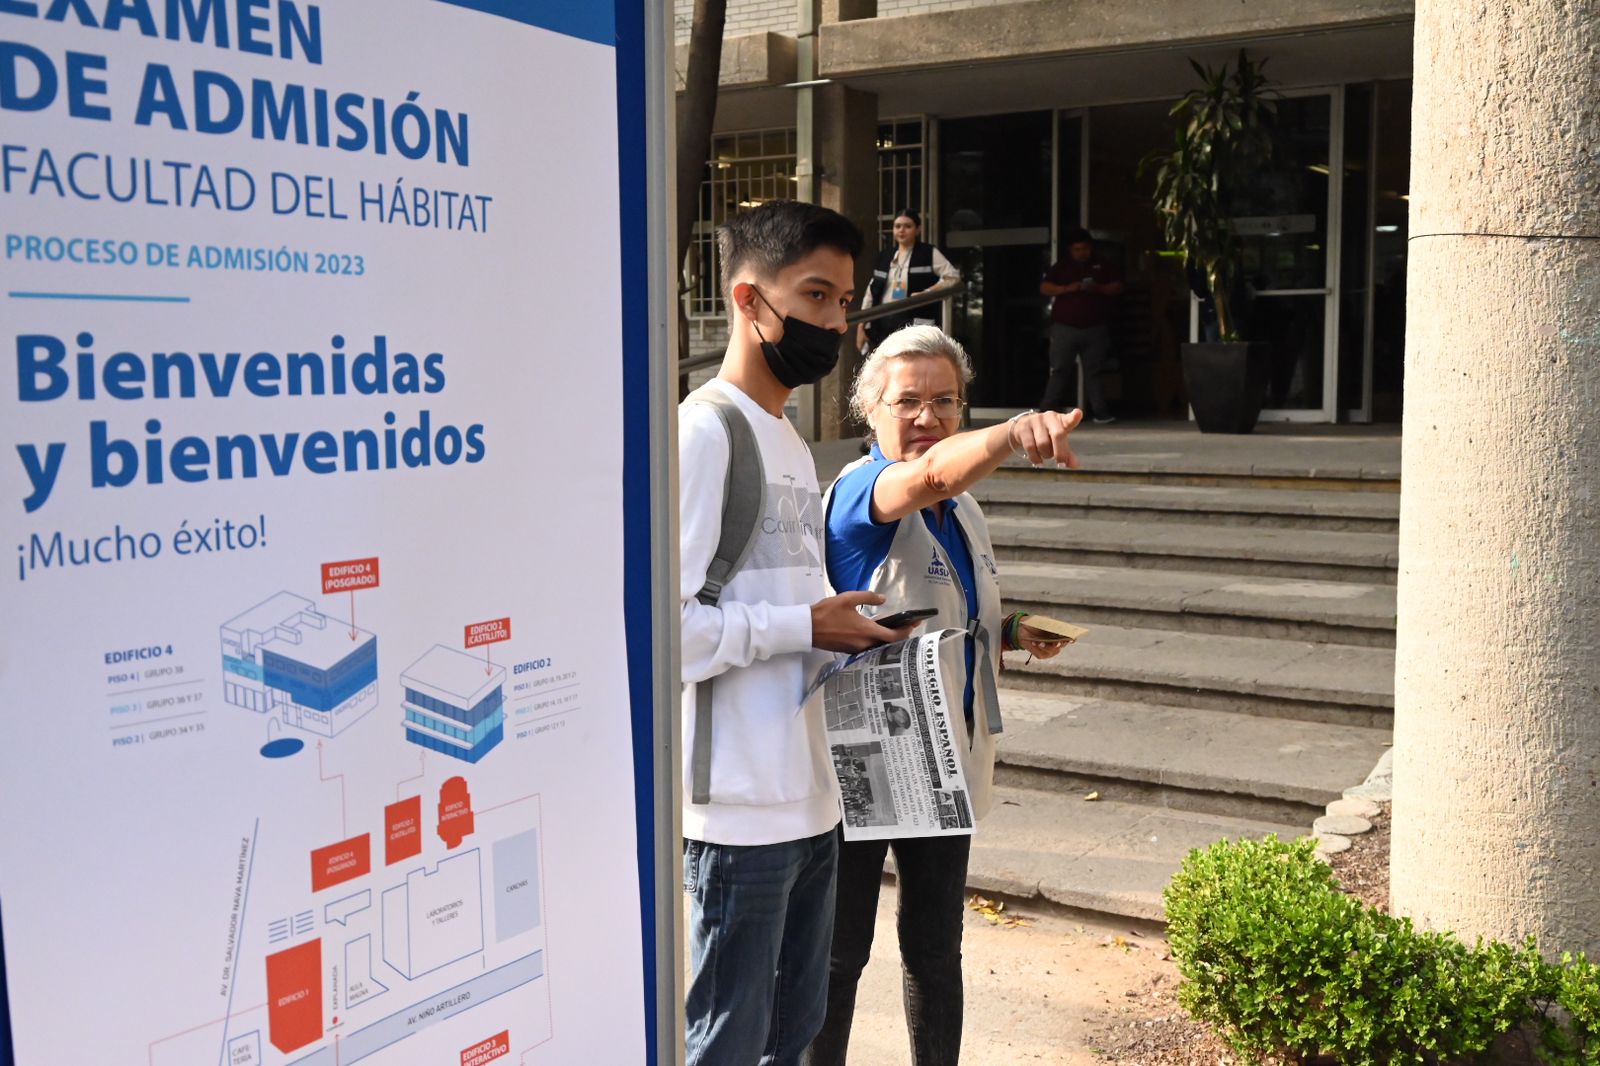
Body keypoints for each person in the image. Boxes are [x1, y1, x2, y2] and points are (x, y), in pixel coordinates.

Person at [678, 199, 918, 1066]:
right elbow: (668, 634)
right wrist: (802, 623)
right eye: (815, 296)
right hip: (736, 810)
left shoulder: (787, 439)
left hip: (814, 797)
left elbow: (787, 606)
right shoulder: (703, 433)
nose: (836, 323)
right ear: (749, 300)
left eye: (845, 302)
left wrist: (850, 629)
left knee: (797, 1035)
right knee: (729, 1045)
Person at [804, 325, 1080, 1066]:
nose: (928, 417)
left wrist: (1012, 631)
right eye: (908, 402)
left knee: (935, 948)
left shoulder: (962, 509)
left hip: (942, 758)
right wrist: (1015, 432)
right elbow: (926, 477)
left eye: (946, 401)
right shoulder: (865, 491)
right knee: (837, 955)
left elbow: (948, 607)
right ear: (870, 410)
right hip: (863, 758)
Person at [1039, 227, 1125, 423]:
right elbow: (1045, 287)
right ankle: (1046, 411)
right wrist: (1067, 288)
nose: (1081, 253)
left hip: (1095, 328)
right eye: (1077, 249)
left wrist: (1098, 288)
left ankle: (1101, 413)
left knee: (1094, 372)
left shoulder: (1102, 265)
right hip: (1065, 328)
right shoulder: (1062, 266)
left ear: (1090, 248)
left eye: (1084, 249)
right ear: (1071, 250)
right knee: (1059, 369)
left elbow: (1118, 286)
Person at [857, 209, 962, 353]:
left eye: (907, 226)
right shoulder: (885, 255)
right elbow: (871, 291)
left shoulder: (928, 253)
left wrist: (927, 293)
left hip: (914, 321)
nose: (901, 230)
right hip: (882, 320)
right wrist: (861, 326)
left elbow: (953, 277)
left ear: (918, 229)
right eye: (897, 226)